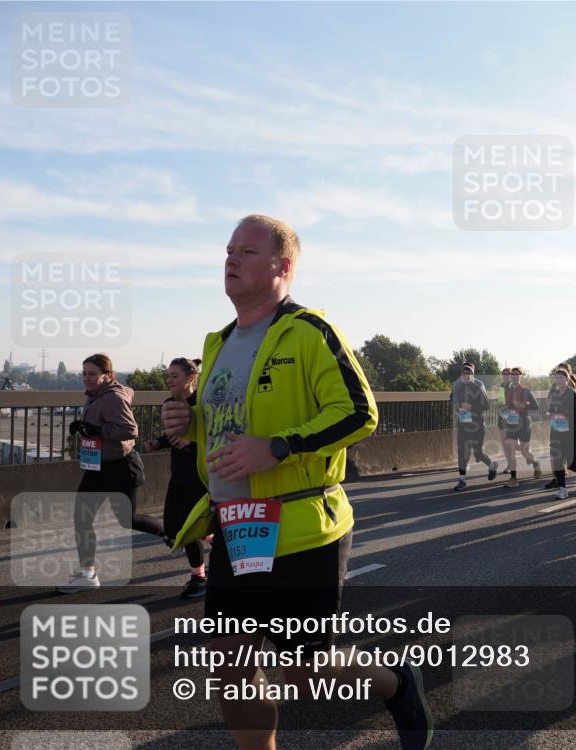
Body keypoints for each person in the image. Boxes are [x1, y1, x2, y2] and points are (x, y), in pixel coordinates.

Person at [161, 214, 432, 749]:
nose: (231, 259)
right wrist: (191, 423)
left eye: (247, 251)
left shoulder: (310, 331)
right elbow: (232, 422)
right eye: (228, 250)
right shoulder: (216, 343)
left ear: (282, 266)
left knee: (306, 674)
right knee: (229, 672)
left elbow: (359, 412)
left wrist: (279, 447)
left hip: (303, 526)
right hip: (236, 529)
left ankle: (397, 683)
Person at [60, 354, 168, 592]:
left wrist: (98, 429)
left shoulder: (113, 397)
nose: (86, 378)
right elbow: (102, 424)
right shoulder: (97, 394)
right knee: (82, 517)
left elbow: (131, 430)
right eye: (84, 373)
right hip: (98, 465)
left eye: (92, 374)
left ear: (106, 376)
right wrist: (84, 427)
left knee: (127, 519)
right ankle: (88, 574)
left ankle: (169, 532)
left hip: (119, 466)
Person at [144, 357, 209, 598]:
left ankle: (199, 577)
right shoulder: (169, 402)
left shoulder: (203, 402)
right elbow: (172, 434)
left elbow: (215, 433)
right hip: (178, 474)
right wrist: (158, 442)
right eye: (168, 376)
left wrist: (194, 438)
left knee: (187, 528)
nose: (169, 380)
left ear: (191, 377)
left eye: (175, 376)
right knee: (172, 529)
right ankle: (219, 541)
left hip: (200, 476)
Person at [451, 363, 497, 491]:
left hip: (477, 425)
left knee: (478, 452)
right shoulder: (459, 388)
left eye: (469, 373)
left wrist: (471, 407)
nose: (466, 375)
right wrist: (456, 411)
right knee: (462, 452)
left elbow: (486, 406)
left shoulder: (477, 387)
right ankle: (462, 480)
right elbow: (456, 403)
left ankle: (492, 465)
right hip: (463, 424)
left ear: (472, 375)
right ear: (462, 375)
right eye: (464, 373)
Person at [546, 368, 576, 499]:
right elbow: (551, 410)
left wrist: (566, 414)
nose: (558, 379)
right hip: (557, 431)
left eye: (561, 377)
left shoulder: (572, 393)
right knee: (558, 461)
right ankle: (562, 489)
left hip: (573, 432)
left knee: (570, 463)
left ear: (567, 379)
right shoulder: (554, 394)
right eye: (556, 377)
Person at [502, 367, 542, 488]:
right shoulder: (507, 390)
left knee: (525, 452)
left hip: (524, 423)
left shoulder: (526, 391)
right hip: (511, 423)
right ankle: (513, 478)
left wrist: (523, 406)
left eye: (516, 374)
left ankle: (535, 462)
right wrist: (504, 409)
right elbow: (506, 405)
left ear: (521, 376)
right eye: (512, 374)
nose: (514, 376)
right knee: (511, 450)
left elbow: (536, 407)